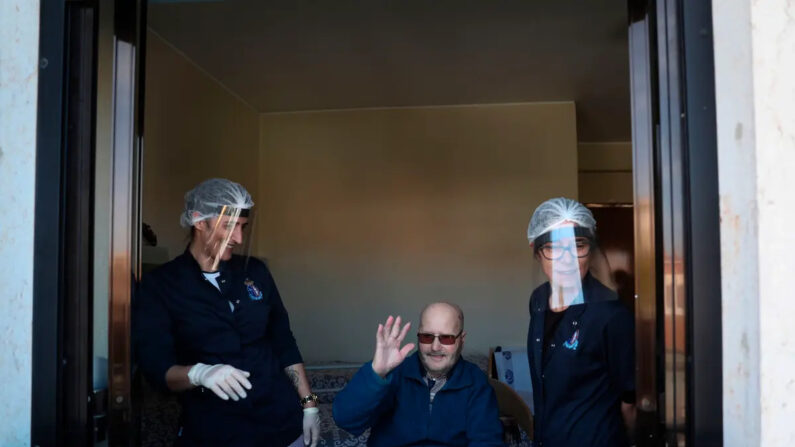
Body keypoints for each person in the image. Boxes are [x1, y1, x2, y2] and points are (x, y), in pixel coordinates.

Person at [133, 178, 321, 447]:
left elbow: (283, 341)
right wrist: (199, 373)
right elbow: (156, 368)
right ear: (199, 221)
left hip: (280, 421)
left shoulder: (255, 272)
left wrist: (308, 404)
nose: (239, 238)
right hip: (215, 430)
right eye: (229, 226)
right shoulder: (162, 285)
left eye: (243, 227)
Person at [525, 197, 636, 447]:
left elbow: (630, 401)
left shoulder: (611, 315)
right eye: (553, 247)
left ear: (592, 249)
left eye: (578, 245)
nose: (567, 259)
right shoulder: (539, 299)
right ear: (535, 249)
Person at [332, 303, 504, 447]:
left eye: (446, 338)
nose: (435, 347)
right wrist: (376, 373)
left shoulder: (475, 382)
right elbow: (345, 419)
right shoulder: (395, 374)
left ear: (462, 340)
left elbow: (487, 441)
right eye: (427, 337)